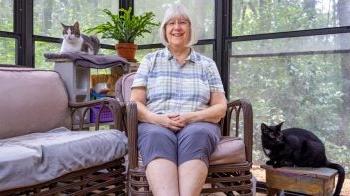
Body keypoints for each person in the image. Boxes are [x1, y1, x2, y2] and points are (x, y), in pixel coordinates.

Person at [130, 3, 227, 196]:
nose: (177, 27)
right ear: (164, 30)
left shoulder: (207, 65)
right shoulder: (150, 60)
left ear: (190, 29)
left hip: (198, 124)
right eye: (171, 23)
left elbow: (220, 107)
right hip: (156, 124)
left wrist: (191, 117)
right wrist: (159, 120)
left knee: (197, 134)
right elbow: (135, 104)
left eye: (182, 22)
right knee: (156, 136)